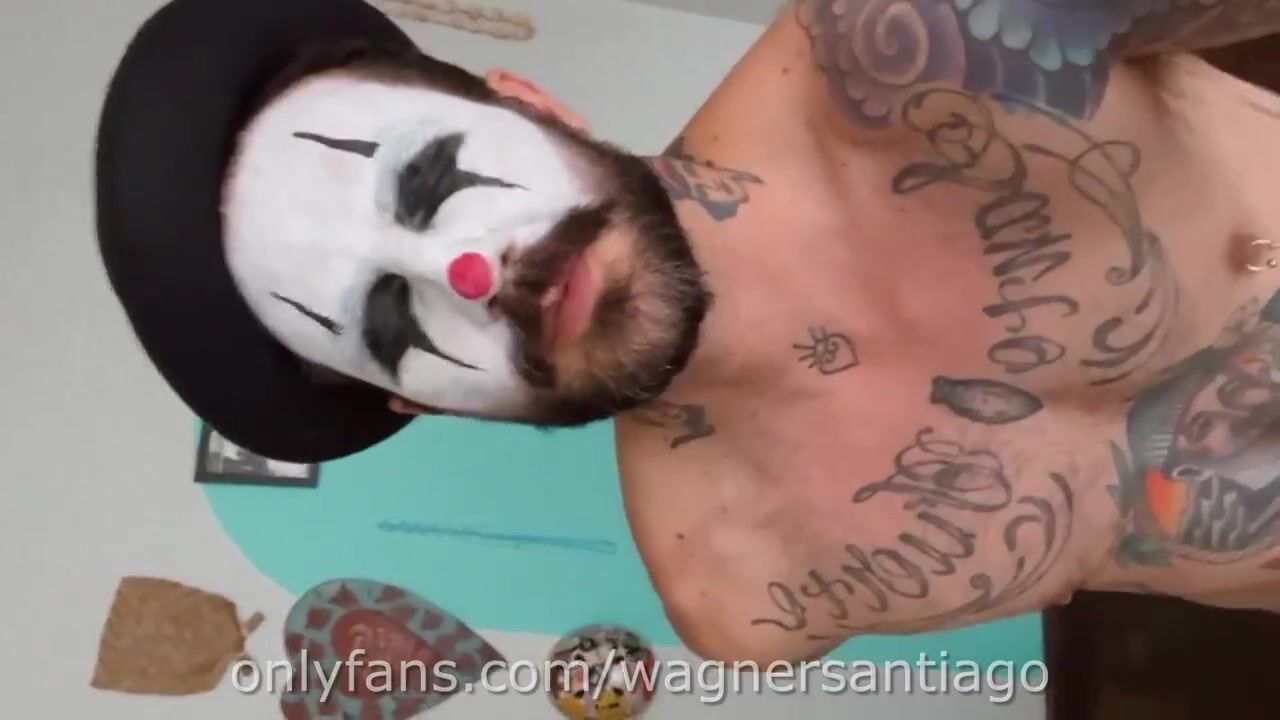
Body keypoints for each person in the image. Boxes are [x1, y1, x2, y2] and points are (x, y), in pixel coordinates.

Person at [97, 0, 1279, 664]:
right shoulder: (747, 585)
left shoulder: (912, 39)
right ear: (416, 402)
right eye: (392, 318)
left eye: (431, 182)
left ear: (523, 102)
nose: (469, 273)